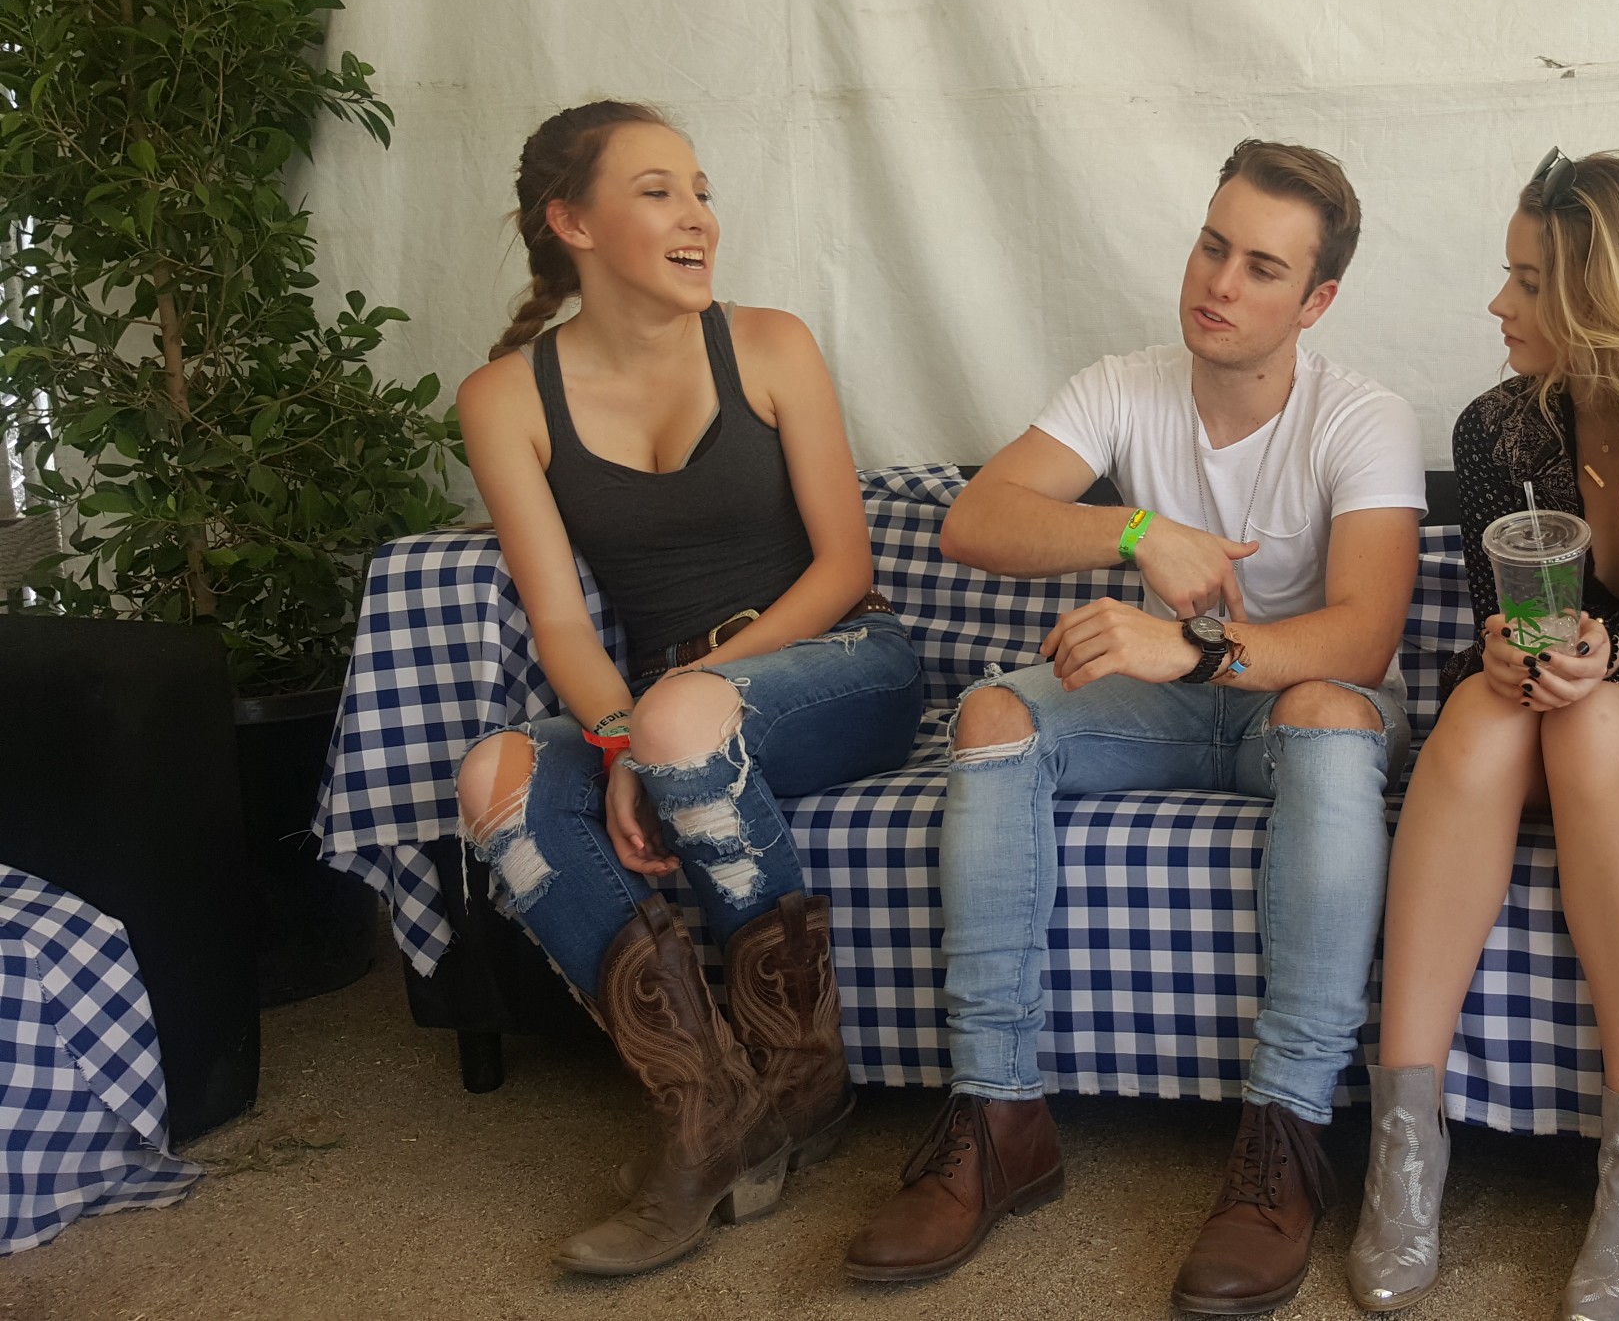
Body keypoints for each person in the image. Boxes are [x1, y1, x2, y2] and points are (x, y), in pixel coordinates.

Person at [842, 139, 1425, 1312]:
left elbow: (1361, 640)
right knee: (992, 714)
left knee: (1324, 710)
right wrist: (1133, 532)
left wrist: (1195, 648)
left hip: (1299, 707)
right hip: (1163, 708)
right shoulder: (1122, 383)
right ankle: (997, 1115)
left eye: (1262, 268)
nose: (1220, 282)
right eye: (1213, 246)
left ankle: (1287, 1134)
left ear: (1315, 302)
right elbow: (974, 521)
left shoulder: (1364, 416)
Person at [452, 101, 925, 1276]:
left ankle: (806, 1081)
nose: (699, 217)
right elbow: (563, 624)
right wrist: (622, 741)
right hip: (667, 714)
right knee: (495, 774)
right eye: (658, 192)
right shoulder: (505, 397)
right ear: (573, 223)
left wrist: (671, 710)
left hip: (840, 668)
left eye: (701, 191)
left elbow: (844, 567)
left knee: (677, 718)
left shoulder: (769, 345)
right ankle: (708, 1112)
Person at [1348, 150, 1619, 1319]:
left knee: (1589, 724)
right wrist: (1505, 650)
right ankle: (1404, 1138)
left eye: (1531, 282)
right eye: (1511, 275)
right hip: (1539, 717)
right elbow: (1505, 623)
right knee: (1488, 705)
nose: (1500, 304)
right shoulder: (1501, 429)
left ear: (1616, 297)